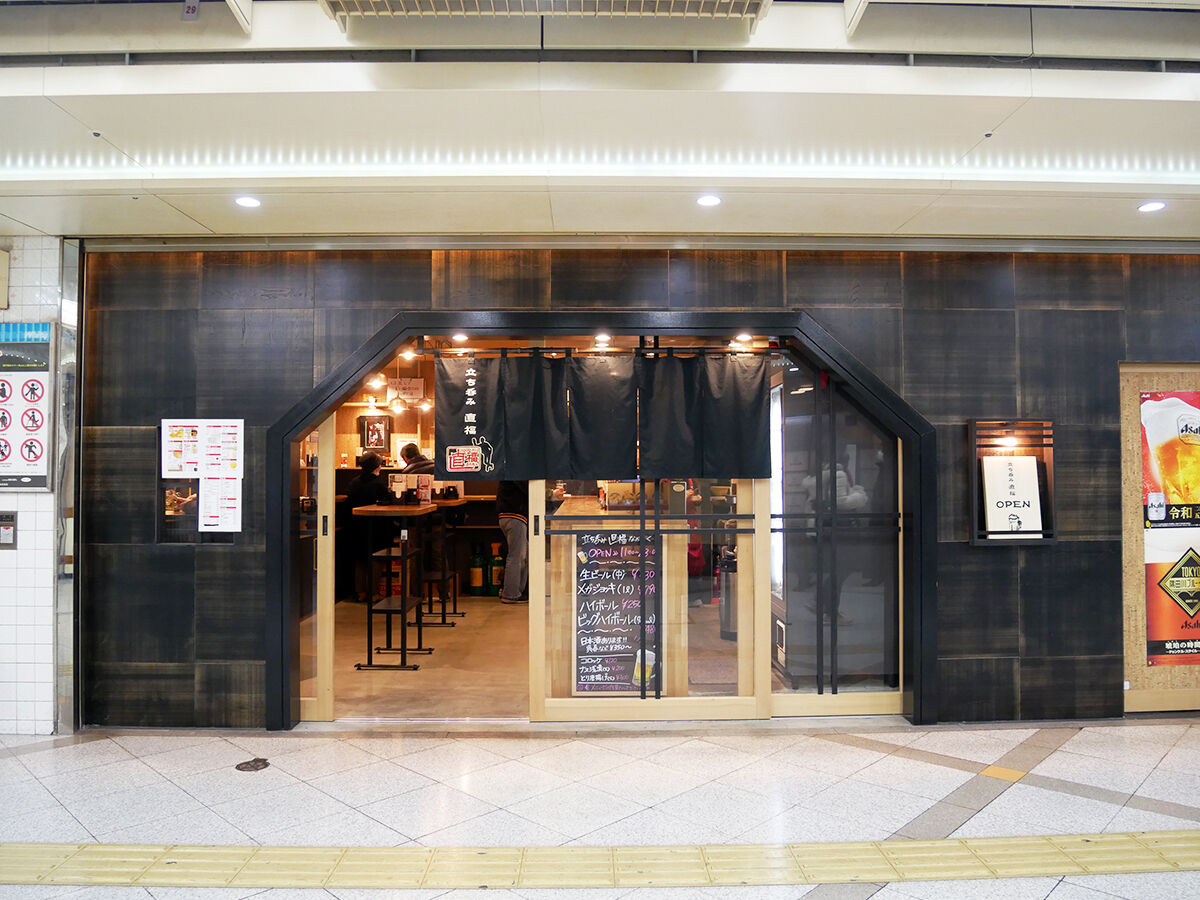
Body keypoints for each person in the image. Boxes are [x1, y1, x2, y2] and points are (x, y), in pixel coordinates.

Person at [346, 450, 391, 602]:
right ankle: (373, 593)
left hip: (355, 527)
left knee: (360, 560)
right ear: (376, 466)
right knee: (376, 559)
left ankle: (360, 593)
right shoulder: (378, 484)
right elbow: (387, 503)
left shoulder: (353, 483)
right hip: (376, 528)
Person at [496, 480, 528, 604]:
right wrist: (550, 493)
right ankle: (510, 594)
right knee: (516, 556)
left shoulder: (508, 471)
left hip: (507, 515)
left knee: (523, 555)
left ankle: (517, 592)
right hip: (514, 515)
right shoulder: (517, 471)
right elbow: (528, 488)